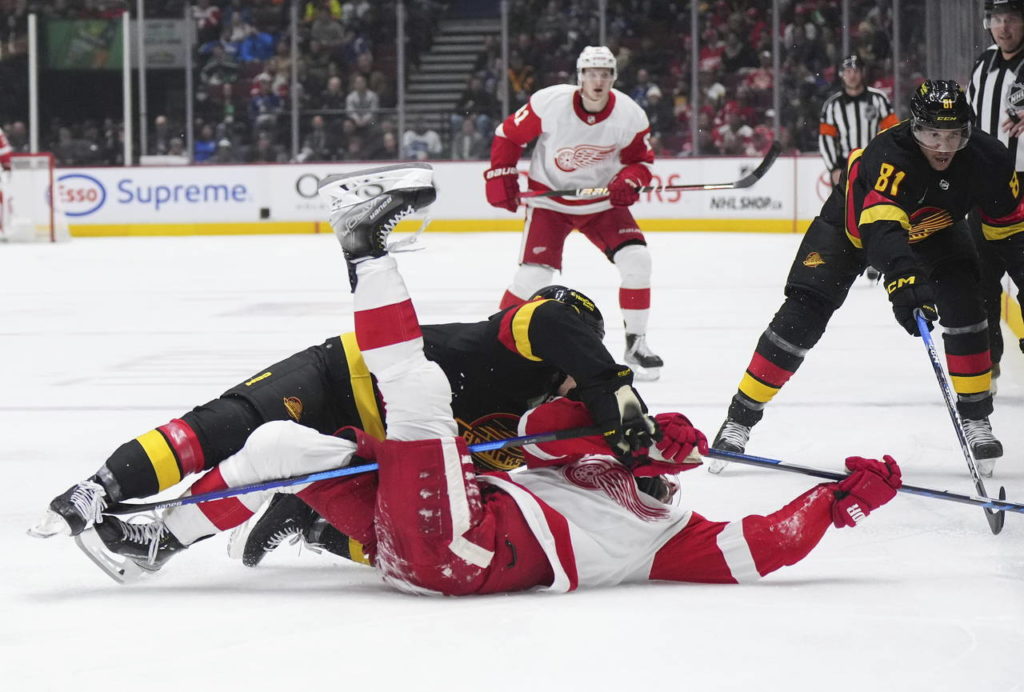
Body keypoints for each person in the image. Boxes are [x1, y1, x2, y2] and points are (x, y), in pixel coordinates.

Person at [71, 167, 904, 590]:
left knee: (418, 391)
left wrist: (835, 503)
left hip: (464, 554)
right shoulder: (577, 430)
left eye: (652, 460)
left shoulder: (666, 533)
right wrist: (628, 416)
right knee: (281, 445)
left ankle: (363, 248)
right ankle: (156, 543)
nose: (648, 468)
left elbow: (755, 548)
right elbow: (550, 418)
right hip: (422, 545)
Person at [29, 164, 658, 554]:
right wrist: (616, 387)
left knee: (378, 521)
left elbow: (602, 459)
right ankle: (101, 487)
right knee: (229, 426)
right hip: (343, 376)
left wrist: (644, 466)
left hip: (377, 446)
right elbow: (557, 326)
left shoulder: (557, 413)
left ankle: (168, 540)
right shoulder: (528, 336)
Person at [710, 80, 1024, 477]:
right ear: (914, 128)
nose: (943, 146)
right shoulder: (890, 153)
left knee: (967, 300)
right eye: (932, 134)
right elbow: (882, 232)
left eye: (953, 135)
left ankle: (977, 418)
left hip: (935, 230)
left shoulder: (989, 160)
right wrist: (904, 279)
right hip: (851, 230)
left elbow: (1013, 239)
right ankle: (739, 419)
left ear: (968, 131)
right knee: (802, 314)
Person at [485, 45, 664, 380]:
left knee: (638, 261)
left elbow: (641, 161)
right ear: (580, 77)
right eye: (591, 74)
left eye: (605, 74)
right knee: (533, 278)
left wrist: (630, 178)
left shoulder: (630, 114)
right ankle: (494, 342)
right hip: (550, 203)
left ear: (613, 77)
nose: (598, 81)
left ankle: (636, 343)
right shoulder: (550, 103)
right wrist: (501, 174)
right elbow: (508, 135)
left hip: (601, 204)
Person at [966, 0, 1024, 387]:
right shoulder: (984, 63)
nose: (1004, 27)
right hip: (985, 186)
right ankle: (988, 361)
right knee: (981, 280)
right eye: (998, 20)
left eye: (1012, 19)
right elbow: (969, 117)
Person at [819, 55, 898, 187]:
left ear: (862, 73)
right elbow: (826, 139)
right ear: (842, 74)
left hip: (875, 164)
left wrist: (889, 160)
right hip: (845, 166)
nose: (852, 75)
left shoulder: (879, 99)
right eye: (848, 71)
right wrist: (833, 168)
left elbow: (892, 131)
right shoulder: (832, 105)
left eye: (856, 71)